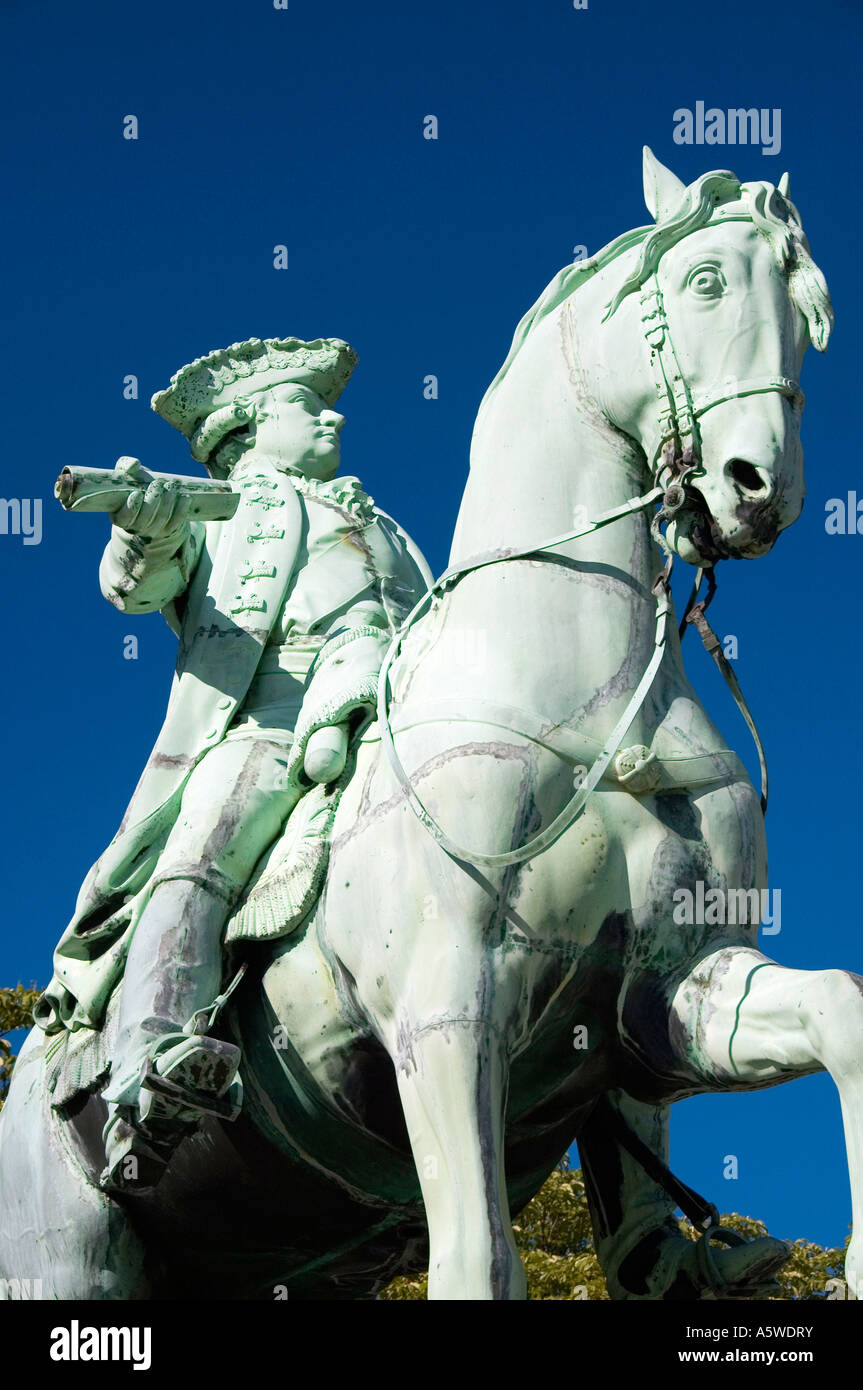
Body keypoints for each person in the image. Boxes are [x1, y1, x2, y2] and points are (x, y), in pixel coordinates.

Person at [33, 336, 432, 1191]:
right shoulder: (219, 509)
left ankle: (641, 1223)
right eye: (307, 406)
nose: (334, 416)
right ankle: (152, 1062)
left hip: (408, 714)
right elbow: (139, 584)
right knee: (206, 845)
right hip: (274, 726)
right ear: (250, 428)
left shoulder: (382, 521)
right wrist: (145, 530)